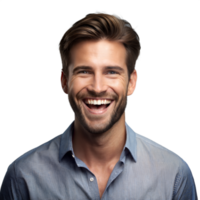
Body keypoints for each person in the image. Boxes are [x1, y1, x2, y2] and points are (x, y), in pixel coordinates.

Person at [0, 10, 198, 200]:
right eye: (84, 71)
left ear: (132, 82)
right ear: (64, 81)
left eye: (111, 71)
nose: (97, 87)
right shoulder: (22, 177)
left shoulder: (174, 175)